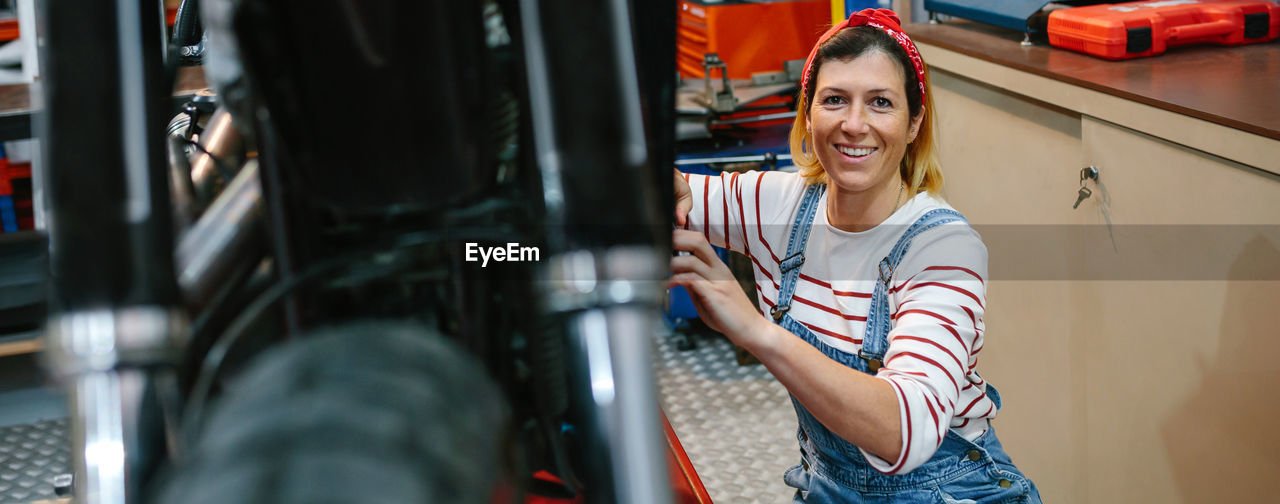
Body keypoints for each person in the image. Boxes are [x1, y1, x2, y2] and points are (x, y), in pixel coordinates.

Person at [670, 9, 1042, 503]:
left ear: (914, 124)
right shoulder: (778, 205)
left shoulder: (944, 248)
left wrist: (754, 330)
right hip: (831, 487)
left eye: (881, 103)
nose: (854, 124)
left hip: (949, 493)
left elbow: (904, 431)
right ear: (808, 114)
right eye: (835, 100)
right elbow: (668, 194)